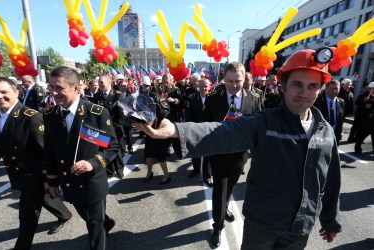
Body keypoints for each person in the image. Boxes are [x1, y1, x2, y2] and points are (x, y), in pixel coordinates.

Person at [136, 49, 342, 249]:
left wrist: (330, 220)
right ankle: (218, 224)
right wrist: (176, 130)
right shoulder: (266, 122)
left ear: (320, 89)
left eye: (312, 86)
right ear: (283, 86)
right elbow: (224, 131)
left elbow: (330, 181)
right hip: (263, 226)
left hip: (300, 229)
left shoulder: (325, 132)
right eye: (297, 84)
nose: (304, 93)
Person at [44, 66, 119, 250]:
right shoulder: (50, 115)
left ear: (76, 88)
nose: (54, 92)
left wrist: (92, 163)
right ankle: (106, 221)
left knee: (94, 225)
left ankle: (102, 226)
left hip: (91, 180)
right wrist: (51, 180)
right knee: (85, 213)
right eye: (51, 87)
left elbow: (111, 147)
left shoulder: (95, 113)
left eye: (59, 88)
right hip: (68, 180)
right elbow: (50, 150)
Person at [0, 77, 72, 250]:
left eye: (3, 92)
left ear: (16, 92)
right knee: (41, 198)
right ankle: (68, 214)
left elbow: (47, 152)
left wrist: (49, 179)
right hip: (17, 173)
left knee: (27, 213)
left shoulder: (31, 117)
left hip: (34, 174)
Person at [201, 62, 262, 247]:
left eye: (238, 81)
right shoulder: (213, 99)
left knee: (231, 186)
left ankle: (225, 207)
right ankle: (217, 228)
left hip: (240, 154)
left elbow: (258, 124)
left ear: (244, 79)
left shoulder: (254, 97)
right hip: (219, 153)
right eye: (230, 81)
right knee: (220, 189)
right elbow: (205, 127)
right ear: (224, 79)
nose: (234, 85)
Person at [93, 75, 125, 178]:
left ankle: (119, 169)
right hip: (102, 127)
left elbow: (121, 111)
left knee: (117, 149)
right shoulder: (97, 96)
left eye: (102, 82)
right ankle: (109, 170)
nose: (100, 85)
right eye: (99, 82)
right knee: (105, 148)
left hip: (115, 126)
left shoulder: (118, 94)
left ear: (109, 82)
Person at [185, 78, 213, 187]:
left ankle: (207, 175)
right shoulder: (192, 98)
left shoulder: (213, 98)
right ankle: (196, 170)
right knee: (195, 152)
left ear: (209, 86)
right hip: (195, 129)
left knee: (207, 154)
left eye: (206, 86)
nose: (203, 88)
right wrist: (189, 129)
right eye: (201, 86)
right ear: (198, 86)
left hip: (209, 130)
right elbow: (188, 115)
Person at [314, 79, 345, 145]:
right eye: (331, 88)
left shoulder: (341, 102)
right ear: (326, 89)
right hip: (319, 135)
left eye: (336, 88)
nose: (334, 91)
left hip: (334, 135)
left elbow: (340, 120)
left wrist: (339, 135)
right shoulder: (317, 101)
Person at [354, 82, 374, 157]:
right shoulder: (368, 98)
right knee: (361, 137)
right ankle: (357, 149)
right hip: (368, 122)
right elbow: (365, 111)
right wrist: (365, 101)